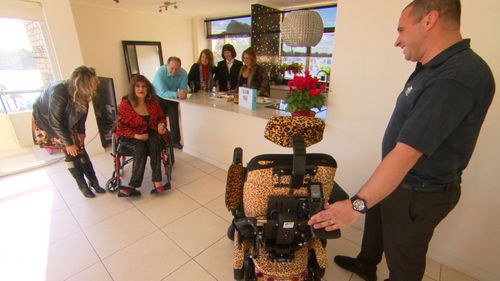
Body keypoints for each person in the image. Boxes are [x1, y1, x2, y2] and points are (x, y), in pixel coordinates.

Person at [307, 1, 495, 281]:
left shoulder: (455, 76)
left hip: (417, 192)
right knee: (377, 227)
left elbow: (407, 154)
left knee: (404, 259)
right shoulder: (431, 66)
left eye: (401, 30)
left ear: (429, 20)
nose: (397, 40)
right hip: (398, 179)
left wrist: (356, 205)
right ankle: (366, 264)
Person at [32, 66, 106, 198]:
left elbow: (83, 111)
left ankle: (94, 183)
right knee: (72, 154)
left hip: (66, 120)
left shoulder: (82, 92)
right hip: (49, 122)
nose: (98, 82)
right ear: (85, 83)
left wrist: (82, 131)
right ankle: (83, 186)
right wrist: (69, 143)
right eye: (95, 81)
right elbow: (56, 122)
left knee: (81, 151)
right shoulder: (59, 92)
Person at [115, 75, 170, 197]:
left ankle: (157, 182)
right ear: (133, 89)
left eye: (144, 86)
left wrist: (161, 126)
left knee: (155, 141)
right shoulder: (125, 105)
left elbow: (161, 118)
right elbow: (120, 128)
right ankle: (133, 186)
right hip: (130, 136)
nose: (141, 89)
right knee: (140, 147)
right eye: (138, 86)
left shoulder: (152, 103)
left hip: (148, 132)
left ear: (148, 89)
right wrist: (136, 136)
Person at [152, 56, 188, 150]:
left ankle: (175, 141)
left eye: (177, 69)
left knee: (174, 119)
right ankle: (160, 141)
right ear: (167, 65)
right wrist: (177, 94)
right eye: (172, 68)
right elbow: (163, 92)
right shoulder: (160, 72)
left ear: (180, 67)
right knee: (161, 120)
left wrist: (183, 93)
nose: (174, 71)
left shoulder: (183, 73)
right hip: (158, 97)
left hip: (173, 98)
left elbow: (183, 89)